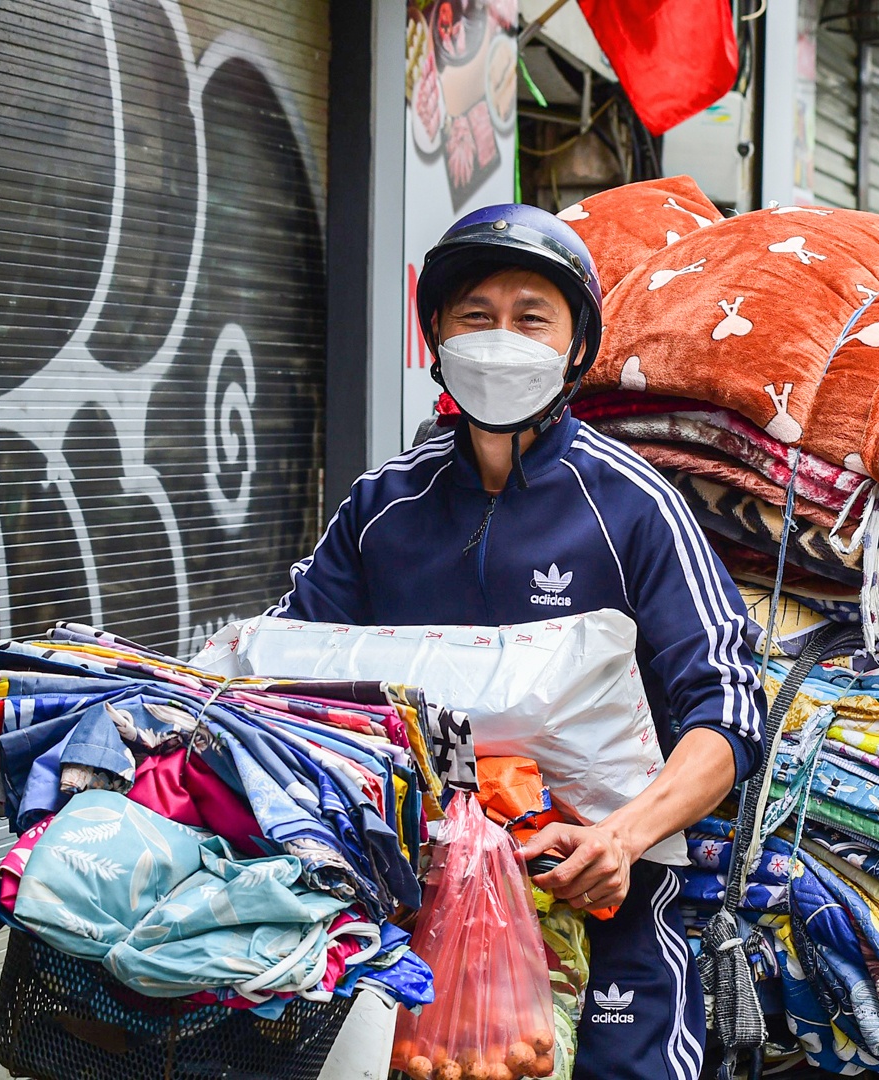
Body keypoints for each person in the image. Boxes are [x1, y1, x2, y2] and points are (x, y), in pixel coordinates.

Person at [269, 204, 765, 1080]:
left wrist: (620, 836)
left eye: (531, 316)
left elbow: (728, 710)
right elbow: (286, 673)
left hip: (610, 900)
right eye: (475, 316)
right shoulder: (383, 508)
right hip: (413, 908)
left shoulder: (634, 507)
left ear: (576, 349)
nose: (502, 338)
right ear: (436, 338)